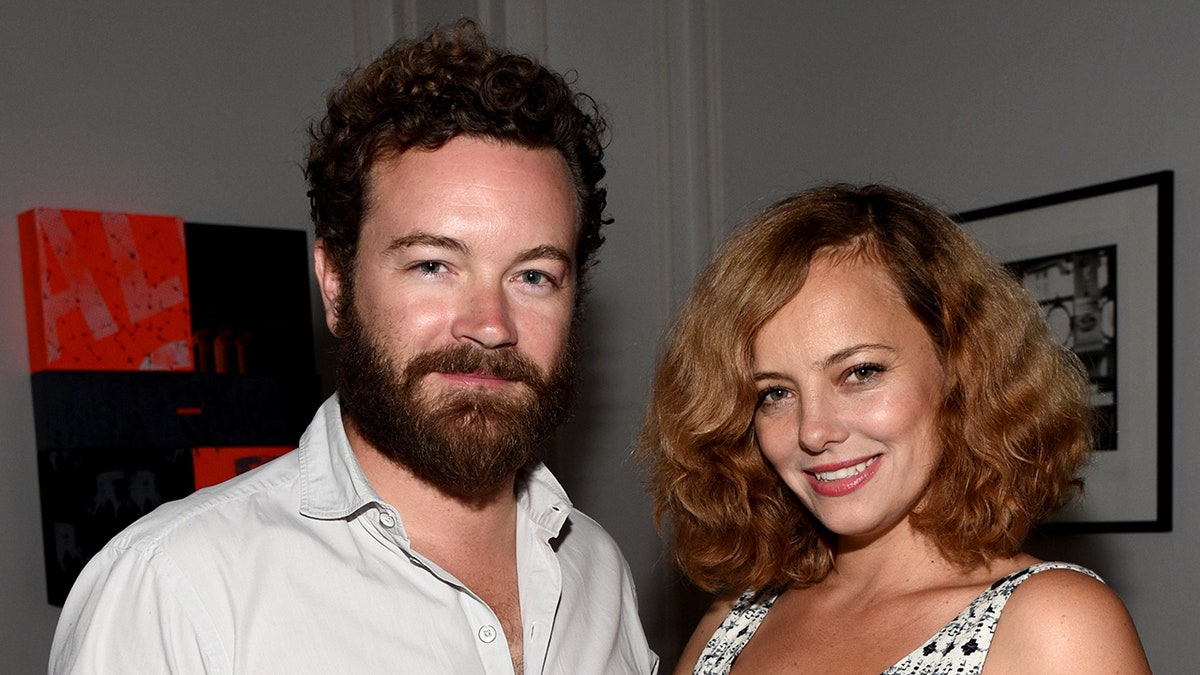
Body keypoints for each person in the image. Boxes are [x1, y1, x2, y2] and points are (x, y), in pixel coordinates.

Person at [50, 20, 657, 675]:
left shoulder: (596, 569)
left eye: (533, 275)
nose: (489, 324)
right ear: (335, 285)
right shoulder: (176, 591)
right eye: (432, 265)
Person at [640, 184, 1150, 674]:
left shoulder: (1053, 624)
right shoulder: (730, 625)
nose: (813, 432)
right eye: (774, 393)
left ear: (961, 366)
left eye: (860, 372)